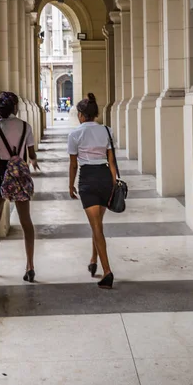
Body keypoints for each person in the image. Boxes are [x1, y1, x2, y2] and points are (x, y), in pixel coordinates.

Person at [0, 92, 40, 282]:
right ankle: (30, 265)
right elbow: (31, 152)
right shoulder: (26, 126)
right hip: (20, 172)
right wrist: (32, 161)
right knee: (26, 221)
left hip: (1, 171)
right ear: (15, 107)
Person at [67, 93, 117, 289]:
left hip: (87, 179)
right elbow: (112, 162)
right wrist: (113, 184)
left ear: (80, 114)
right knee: (97, 223)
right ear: (95, 114)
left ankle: (107, 271)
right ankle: (93, 259)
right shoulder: (106, 130)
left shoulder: (75, 134)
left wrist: (70, 185)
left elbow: (73, 165)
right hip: (104, 177)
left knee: (96, 226)